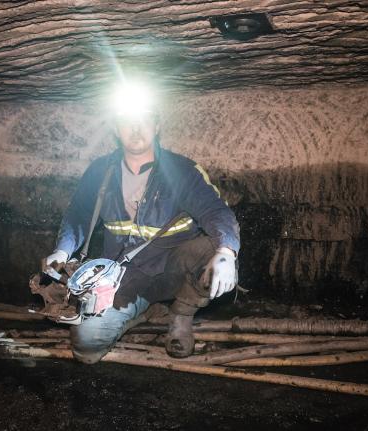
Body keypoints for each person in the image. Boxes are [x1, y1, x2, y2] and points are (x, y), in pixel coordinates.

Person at [42, 81, 240, 364]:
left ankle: (181, 315)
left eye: (144, 119)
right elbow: (78, 216)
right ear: (116, 128)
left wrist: (226, 252)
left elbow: (217, 213)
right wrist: (62, 251)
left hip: (173, 267)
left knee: (217, 249)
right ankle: (142, 312)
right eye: (127, 121)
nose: (136, 129)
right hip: (123, 275)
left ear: (156, 126)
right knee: (87, 347)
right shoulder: (100, 171)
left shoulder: (182, 171)